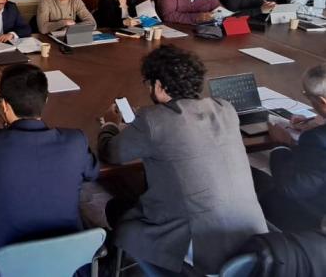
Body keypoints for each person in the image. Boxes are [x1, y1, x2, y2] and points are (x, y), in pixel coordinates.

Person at [98, 45, 267, 275]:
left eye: (148, 84)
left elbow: (111, 153)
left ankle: (110, 268)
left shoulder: (153, 120)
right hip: (252, 235)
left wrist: (109, 124)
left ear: (159, 86)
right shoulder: (224, 108)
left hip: (203, 246)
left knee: (117, 209)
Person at [0, 64, 99, 260]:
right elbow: (92, 173)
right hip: (67, 257)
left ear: (4, 104)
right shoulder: (75, 141)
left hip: (5, 260)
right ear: (46, 100)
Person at [257, 63, 326, 231]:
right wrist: (317, 121)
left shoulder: (316, 139)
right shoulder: (317, 134)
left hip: (313, 218)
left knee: (256, 179)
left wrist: (281, 145)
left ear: (322, 101)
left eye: (307, 95)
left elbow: (291, 188)